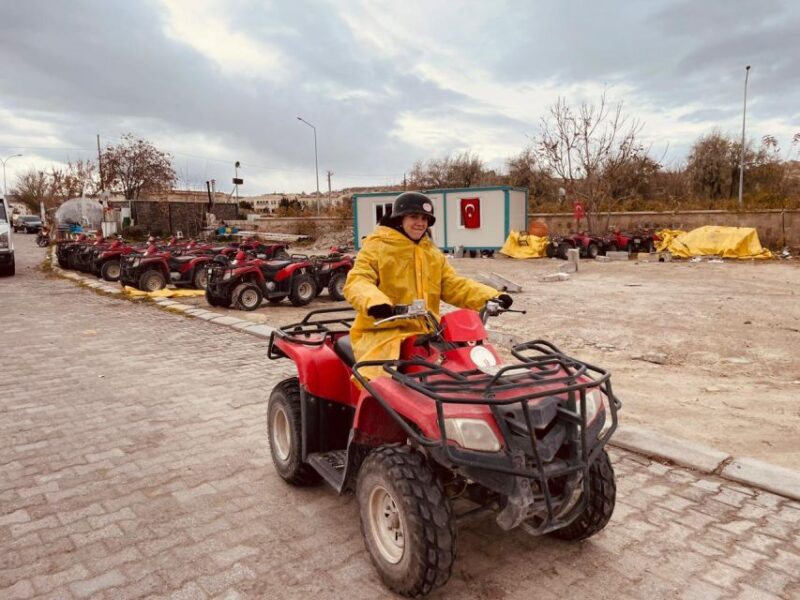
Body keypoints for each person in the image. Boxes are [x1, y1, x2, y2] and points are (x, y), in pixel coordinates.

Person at [344, 191, 513, 380]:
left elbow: (453, 285)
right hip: (384, 332)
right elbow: (358, 279)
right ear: (400, 218)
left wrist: (490, 297)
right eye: (414, 217)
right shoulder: (376, 247)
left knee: (460, 368)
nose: (420, 223)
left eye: (425, 218)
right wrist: (376, 303)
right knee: (379, 380)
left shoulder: (431, 253)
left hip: (427, 331)